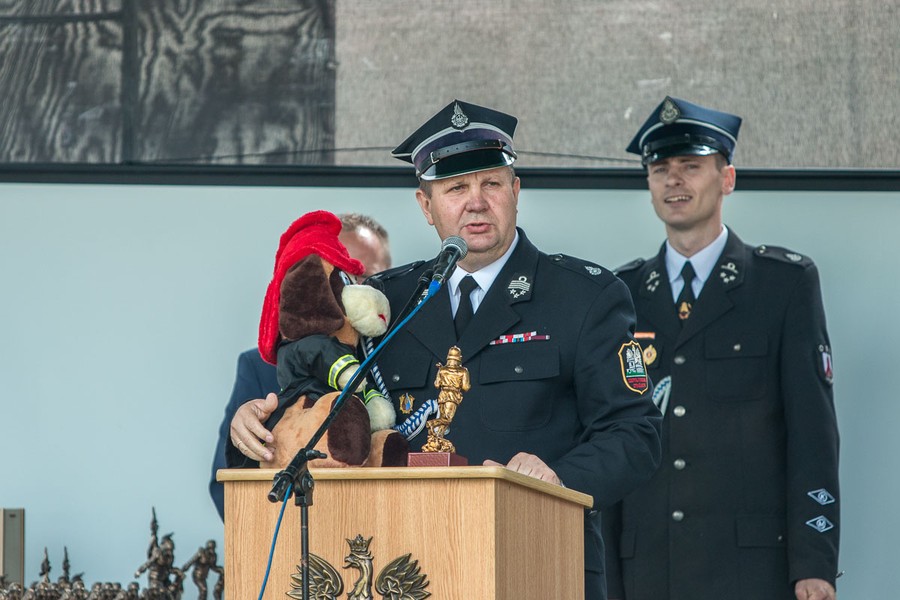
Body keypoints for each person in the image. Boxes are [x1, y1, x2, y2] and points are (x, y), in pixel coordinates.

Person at [228, 99, 663, 600]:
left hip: (536, 560)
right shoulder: (386, 302)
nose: (476, 202)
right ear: (425, 205)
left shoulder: (584, 296)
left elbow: (635, 432)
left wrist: (558, 478)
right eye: (455, 188)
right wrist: (253, 423)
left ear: (516, 192)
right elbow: (318, 403)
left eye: (491, 184)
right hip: (406, 567)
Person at [601, 97, 840, 600]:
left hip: (751, 571)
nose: (674, 180)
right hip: (647, 571)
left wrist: (814, 563)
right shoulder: (621, 296)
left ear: (727, 178)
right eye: (660, 169)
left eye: (690, 165)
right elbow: (612, 440)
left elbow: (812, 438)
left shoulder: (783, 284)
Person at [208, 213, 392, 519]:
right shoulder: (260, 366)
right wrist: (246, 435)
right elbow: (226, 488)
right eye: (343, 276)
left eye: (368, 279)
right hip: (297, 536)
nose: (355, 290)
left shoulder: (399, 357)